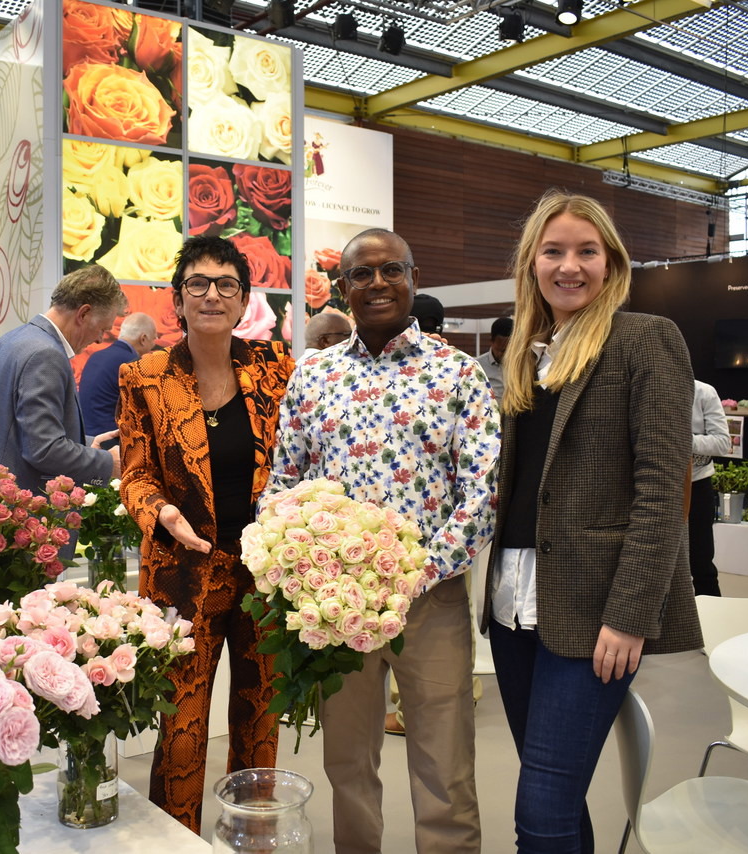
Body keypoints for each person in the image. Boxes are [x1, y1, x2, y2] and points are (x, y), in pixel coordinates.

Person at [269, 227, 499, 854]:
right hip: (335, 608)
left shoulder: (457, 373)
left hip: (430, 599)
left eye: (391, 270)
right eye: (361, 274)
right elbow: (284, 481)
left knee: (445, 764)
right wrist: (296, 566)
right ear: (340, 287)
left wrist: (412, 576)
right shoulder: (313, 375)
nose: (377, 283)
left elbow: (482, 492)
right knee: (347, 762)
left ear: (413, 278)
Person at [485, 191, 702, 854]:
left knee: (540, 811)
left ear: (612, 263)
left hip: (595, 612)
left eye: (587, 251)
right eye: (553, 251)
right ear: (532, 263)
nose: (569, 266)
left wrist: (631, 614)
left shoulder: (645, 340)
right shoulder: (527, 354)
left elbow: (661, 491)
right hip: (513, 604)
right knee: (556, 795)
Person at [117, 236, 295, 832]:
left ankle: (254, 836)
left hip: (264, 576)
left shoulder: (275, 367)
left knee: (260, 720)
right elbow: (135, 475)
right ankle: (176, 839)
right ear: (178, 299)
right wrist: (162, 513)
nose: (212, 295)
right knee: (182, 728)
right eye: (198, 283)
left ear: (243, 300)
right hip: (182, 573)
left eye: (226, 284)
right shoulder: (144, 376)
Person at [0, 264, 125, 493]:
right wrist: (109, 463)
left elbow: (16, 431)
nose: (100, 339)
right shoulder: (46, 354)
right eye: (102, 329)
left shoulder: (13, 338)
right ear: (84, 313)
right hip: (18, 504)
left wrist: (88, 444)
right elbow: (43, 449)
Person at [78, 312, 157, 442]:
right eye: (153, 339)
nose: (153, 345)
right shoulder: (132, 364)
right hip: (111, 441)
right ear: (143, 339)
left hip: (85, 437)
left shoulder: (96, 356)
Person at [690, 379, 731, 597]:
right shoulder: (643, 387)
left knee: (701, 563)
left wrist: (681, 440)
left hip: (696, 485)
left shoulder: (703, 392)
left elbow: (723, 443)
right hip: (650, 484)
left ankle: (712, 613)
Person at [477, 316, 513, 399]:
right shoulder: (478, 366)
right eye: (501, 350)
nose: (505, 355)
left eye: (509, 350)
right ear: (491, 341)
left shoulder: (522, 365)